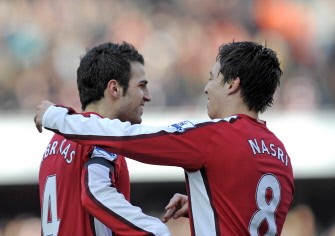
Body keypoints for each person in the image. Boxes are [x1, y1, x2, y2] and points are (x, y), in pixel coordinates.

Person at [35, 41, 295, 235]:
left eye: (211, 78)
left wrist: (56, 117)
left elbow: (130, 141)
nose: (206, 88)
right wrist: (204, 203)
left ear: (232, 84)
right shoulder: (280, 153)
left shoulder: (214, 136)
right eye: (142, 86)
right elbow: (250, 209)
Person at [37, 41, 171, 236]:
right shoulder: (103, 139)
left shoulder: (56, 142)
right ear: (114, 89)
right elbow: (95, 191)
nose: (148, 96)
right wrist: (155, 230)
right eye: (141, 86)